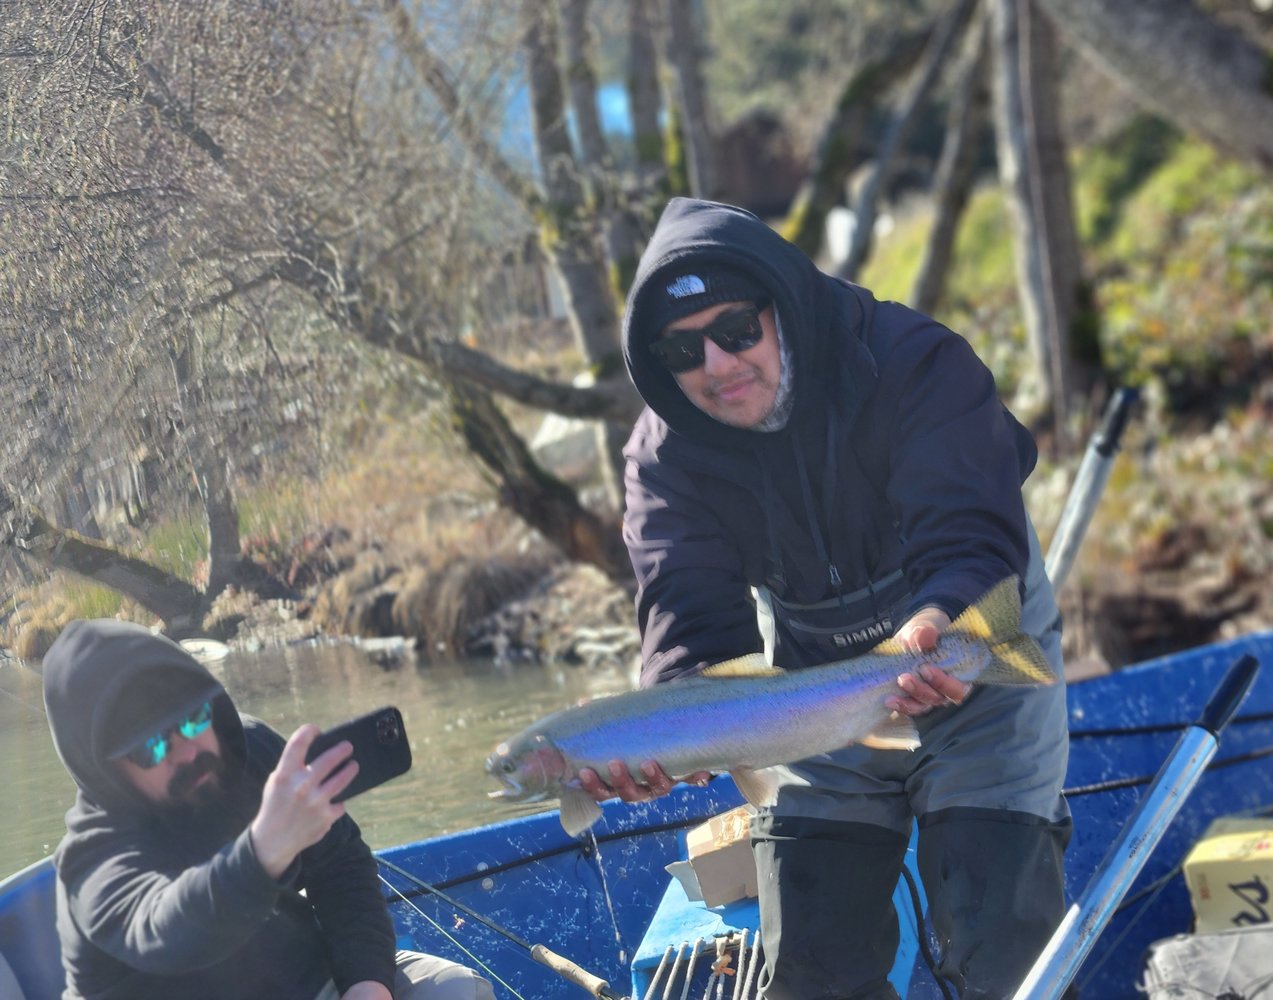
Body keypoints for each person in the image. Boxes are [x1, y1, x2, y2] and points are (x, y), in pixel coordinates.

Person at [581, 197, 1072, 999]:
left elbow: (970, 534)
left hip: (967, 630)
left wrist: (938, 618)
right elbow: (690, 622)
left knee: (1000, 948)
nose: (715, 364)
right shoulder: (662, 457)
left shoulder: (910, 358)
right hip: (812, 688)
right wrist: (674, 733)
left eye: (736, 330)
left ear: (783, 313)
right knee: (809, 966)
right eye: (681, 349)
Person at [41, 618, 496, 1000]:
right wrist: (264, 850)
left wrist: (366, 982)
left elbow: (340, 866)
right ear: (104, 769)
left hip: (307, 983)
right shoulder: (92, 859)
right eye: (152, 748)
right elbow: (167, 932)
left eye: (192, 719)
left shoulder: (248, 750)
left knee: (457, 988)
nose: (187, 752)